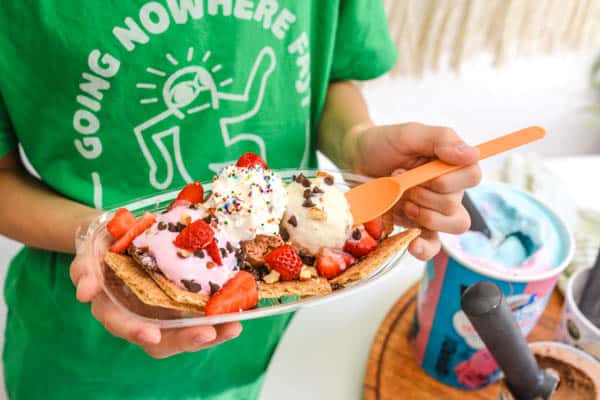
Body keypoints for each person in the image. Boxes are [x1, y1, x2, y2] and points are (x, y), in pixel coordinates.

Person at [0, 1, 481, 398]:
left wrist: (356, 142)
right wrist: (95, 233)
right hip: (81, 360)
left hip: (269, 341)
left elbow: (332, 71)